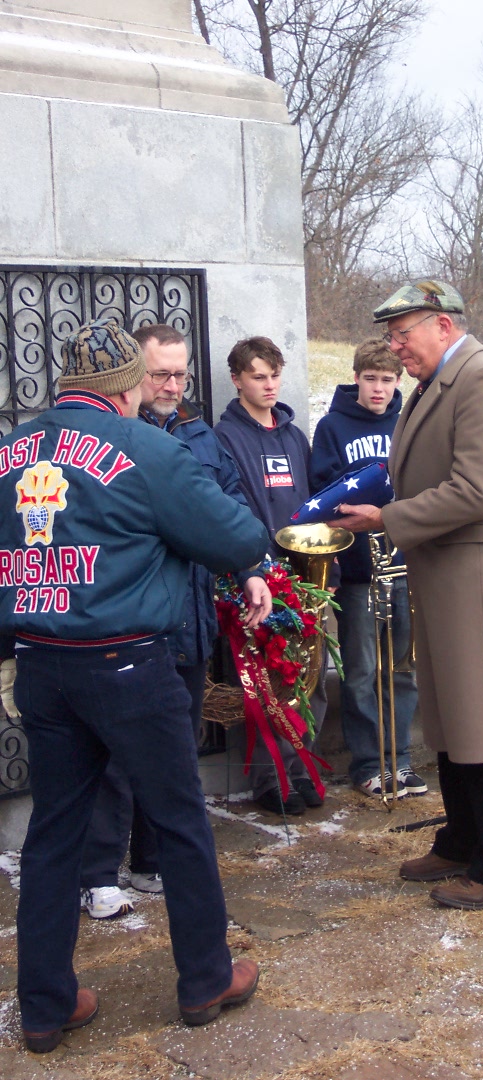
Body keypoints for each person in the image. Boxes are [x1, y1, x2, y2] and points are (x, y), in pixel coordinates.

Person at [0, 319, 270, 1052]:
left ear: (65, 386)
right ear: (124, 386)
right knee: (179, 819)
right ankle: (205, 978)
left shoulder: (8, 454)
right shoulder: (147, 448)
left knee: (54, 833)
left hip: (42, 664)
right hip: (127, 664)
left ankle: (46, 1006)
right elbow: (235, 537)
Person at [329, 279, 483, 912]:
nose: (397, 347)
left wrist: (386, 517)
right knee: (460, 719)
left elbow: (475, 491)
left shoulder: (482, 380)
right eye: (392, 336)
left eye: (404, 333)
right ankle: (462, 841)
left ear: (444, 324)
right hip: (454, 577)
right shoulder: (441, 382)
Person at [78, 323, 272, 920]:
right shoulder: (110, 438)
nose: (170, 385)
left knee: (177, 750)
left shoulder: (198, 434)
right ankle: (97, 874)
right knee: (111, 760)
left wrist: (249, 569)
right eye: (158, 373)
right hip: (124, 625)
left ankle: (152, 859)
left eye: (180, 374)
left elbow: (229, 505)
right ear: (131, 376)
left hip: (186, 620)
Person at [214, 336, 326, 816]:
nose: (269, 385)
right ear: (237, 379)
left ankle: (302, 768)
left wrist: (328, 565)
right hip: (259, 578)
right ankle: (270, 778)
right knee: (264, 682)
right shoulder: (225, 437)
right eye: (258, 376)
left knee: (310, 678)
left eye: (275, 375)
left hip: (305, 576)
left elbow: (315, 502)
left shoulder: (293, 434)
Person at [309, 338, 426, 799]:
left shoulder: (408, 420)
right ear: (356, 378)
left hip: (405, 565)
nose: (379, 389)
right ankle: (367, 764)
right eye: (371, 379)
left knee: (401, 669)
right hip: (359, 569)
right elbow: (324, 492)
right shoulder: (333, 426)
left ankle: (401, 760)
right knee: (361, 671)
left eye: (388, 380)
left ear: (399, 382)